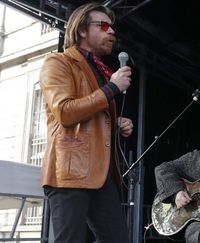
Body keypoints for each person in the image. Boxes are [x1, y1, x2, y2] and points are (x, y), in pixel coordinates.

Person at [39, 3, 133, 243]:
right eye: (103, 26)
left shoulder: (100, 70)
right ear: (82, 30)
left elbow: (92, 113)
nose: (111, 32)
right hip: (70, 172)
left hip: (101, 174)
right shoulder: (58, 62)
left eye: (112, 27)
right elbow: (65, 111)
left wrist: (115, 123)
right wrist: (112, 88)